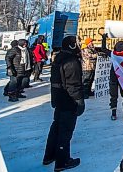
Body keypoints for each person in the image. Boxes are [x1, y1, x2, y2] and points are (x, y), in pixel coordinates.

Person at [43, 36, 84, 172]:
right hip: (68, 100)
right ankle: (62, 161)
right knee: (65, 131)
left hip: (59, 99)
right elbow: (74, 85)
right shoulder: (71, 61)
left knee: (56, 128)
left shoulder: (59, 57)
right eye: (77, 43)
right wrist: (79, 101)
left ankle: (50, 155)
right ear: (72, 45)